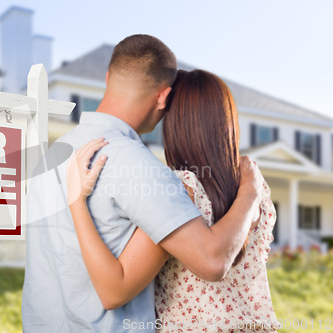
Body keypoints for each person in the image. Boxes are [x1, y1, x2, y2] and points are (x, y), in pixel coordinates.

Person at [22, 34, 262, 332]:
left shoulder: (50, 158)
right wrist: (251, 192)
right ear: (163, 97)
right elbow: (212, 262)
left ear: (109, 77)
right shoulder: (139, 166)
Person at [66, 70, 279, 332]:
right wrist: (250, 193)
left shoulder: (181, 189)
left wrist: (76, 201)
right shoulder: (256, 186)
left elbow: (114, 290)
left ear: (176, 124)